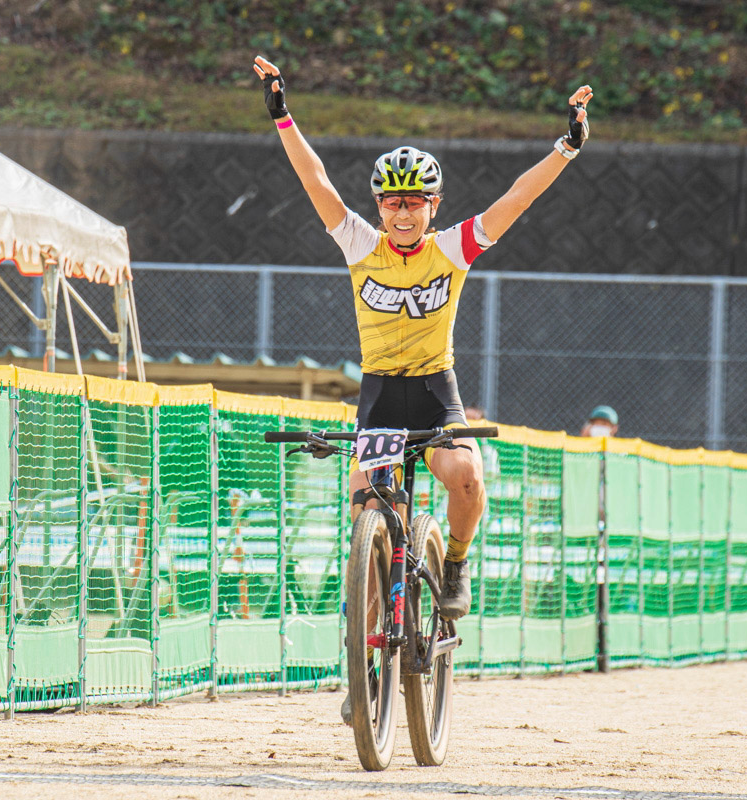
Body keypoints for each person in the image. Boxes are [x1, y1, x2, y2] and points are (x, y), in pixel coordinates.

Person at [252, 55, 591, 711]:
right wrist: (282, 115)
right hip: (379, 397)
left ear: (434, 207)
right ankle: (365, 658)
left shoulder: (452, 249)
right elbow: (315, 180)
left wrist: (566, 148)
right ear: (379, 206)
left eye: (414, 202)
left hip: (436, 391)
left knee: (467, 476)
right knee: (368, 510)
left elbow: (516, 198)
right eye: (391, 202)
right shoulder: (359, 243)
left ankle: (455, 562)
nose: (402, 213)